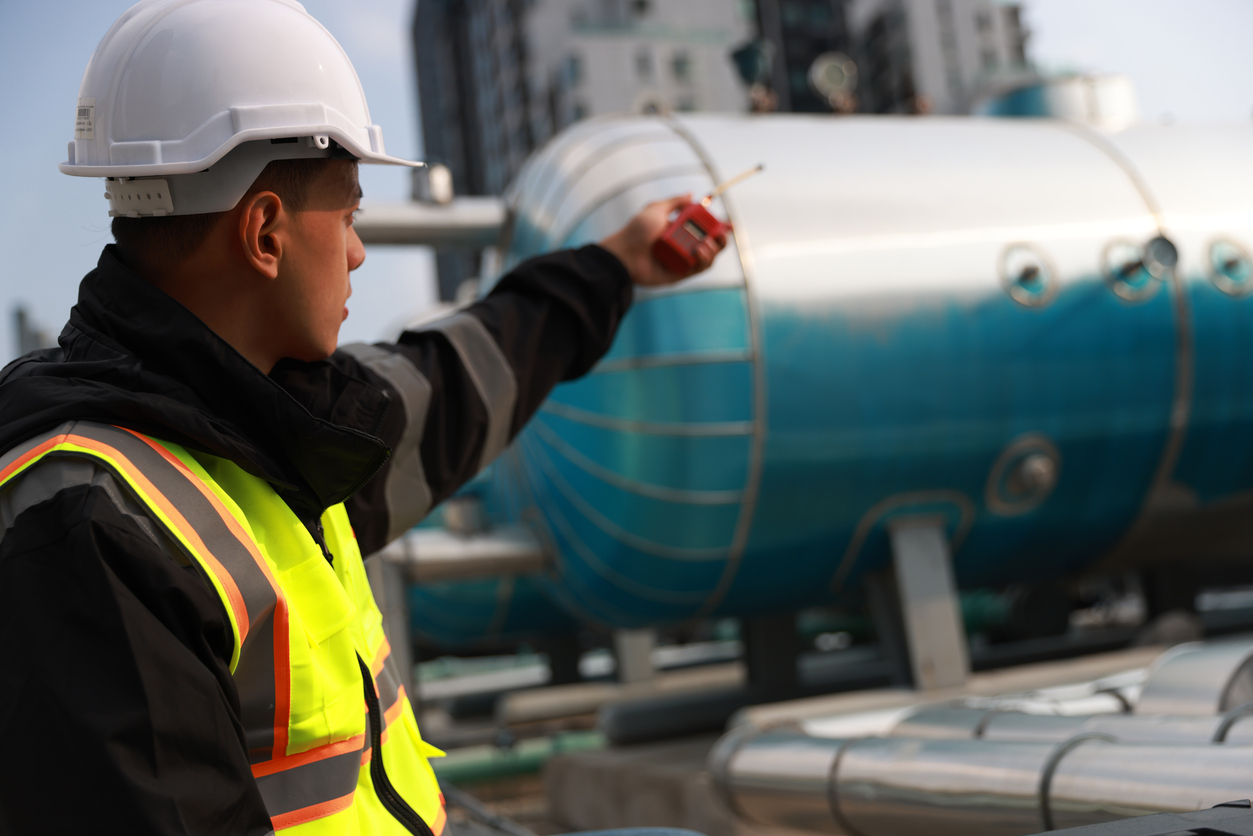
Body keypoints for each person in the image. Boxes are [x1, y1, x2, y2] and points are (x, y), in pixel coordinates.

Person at [0, 1, 726, 834]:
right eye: (348, 215)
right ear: (265, 232)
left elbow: (457, 380)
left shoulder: (281, 426)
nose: (357, 252)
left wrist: (616, 267)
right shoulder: (87, 523)